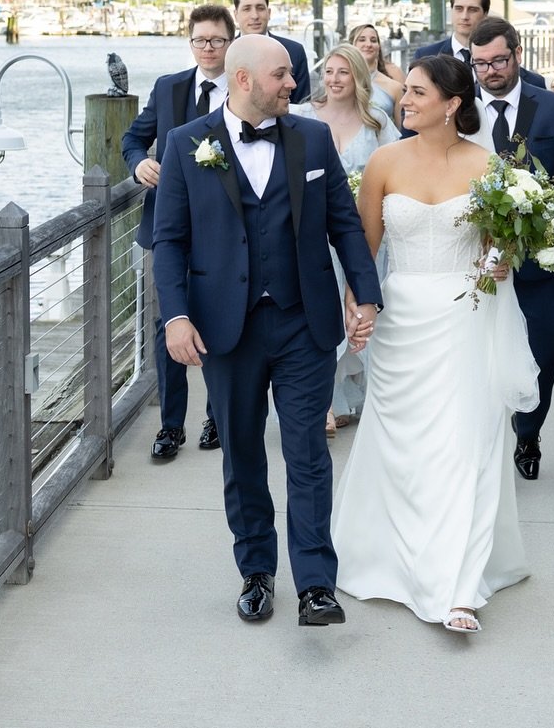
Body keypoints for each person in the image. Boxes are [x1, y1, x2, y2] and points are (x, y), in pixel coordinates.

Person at [152, 35, 382, 627]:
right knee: (244, 453)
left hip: (305, 320)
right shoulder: (185, 144)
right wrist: (175, 316)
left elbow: (345, 226)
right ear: (245, 80)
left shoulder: (311, 137)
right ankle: (256, 572)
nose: (292, 84)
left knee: (307, 452)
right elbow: (170, 240)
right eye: (282, 74)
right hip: (224, 328)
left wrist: (366, 296)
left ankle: (315, 584)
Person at [332, 55, 538, 634]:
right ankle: (391, 558)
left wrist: (499, 263)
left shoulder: (487, 165)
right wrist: (358, 309)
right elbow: (362, 250)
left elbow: (504, 244)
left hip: (466, 317)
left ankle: (457, 587)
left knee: (464, 444)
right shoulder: (382, 162)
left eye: (418, 93)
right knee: (402, 444)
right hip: (402, 321)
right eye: (407, 92)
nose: (406, 100)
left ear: (452, 104)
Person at [470, 16, 554, 480]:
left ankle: (528, 431)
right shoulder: (460, 112)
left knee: (547, 346)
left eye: (498, 60)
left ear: (516, 54)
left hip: (541, 257)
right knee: (479, 351)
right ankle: (485, 436)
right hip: (478, 262)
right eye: (479, 63)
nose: (489, 71)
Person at [122, 3, 235, 459]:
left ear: (231, 42)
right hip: (167, 227)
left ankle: (216, 417)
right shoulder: (168, 88)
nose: (208, 48)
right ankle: (171, 426)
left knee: (221, 322)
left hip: (225, 231)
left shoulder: (242, 90)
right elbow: (133, 137)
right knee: (166, 321)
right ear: (189, 43)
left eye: (217, 40)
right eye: (200, 40)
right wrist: (139, 163)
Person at [291, 43, 399, 434]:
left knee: (358, 314)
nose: (335, 80)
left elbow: (398, 174)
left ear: (359, 78)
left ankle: (354, 395)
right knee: (320, 316)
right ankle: (322, 405)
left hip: (363, 237)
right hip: (312, 237)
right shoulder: (301, 116)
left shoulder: (378, 123)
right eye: (329, 72)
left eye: (344, 72)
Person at [415, 0, 547, 87]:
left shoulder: (533, 82)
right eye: (459, 9)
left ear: (485, 14)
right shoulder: (426, 56)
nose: (464, 16)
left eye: (472, 10)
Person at [233, 0, 311, 102]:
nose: (255, 16)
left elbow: (302, 103)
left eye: (260, 8)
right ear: (236, 15)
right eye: (246, 9)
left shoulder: (294, 51)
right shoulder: (225, 52)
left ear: (269, 13)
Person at [348, 23, 405, 123]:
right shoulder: (340, 82)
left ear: (378, 47)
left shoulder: (394, 87)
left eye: (373, 40)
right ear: (351, 45)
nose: (368, 44)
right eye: (362, 40)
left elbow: (403, 129)